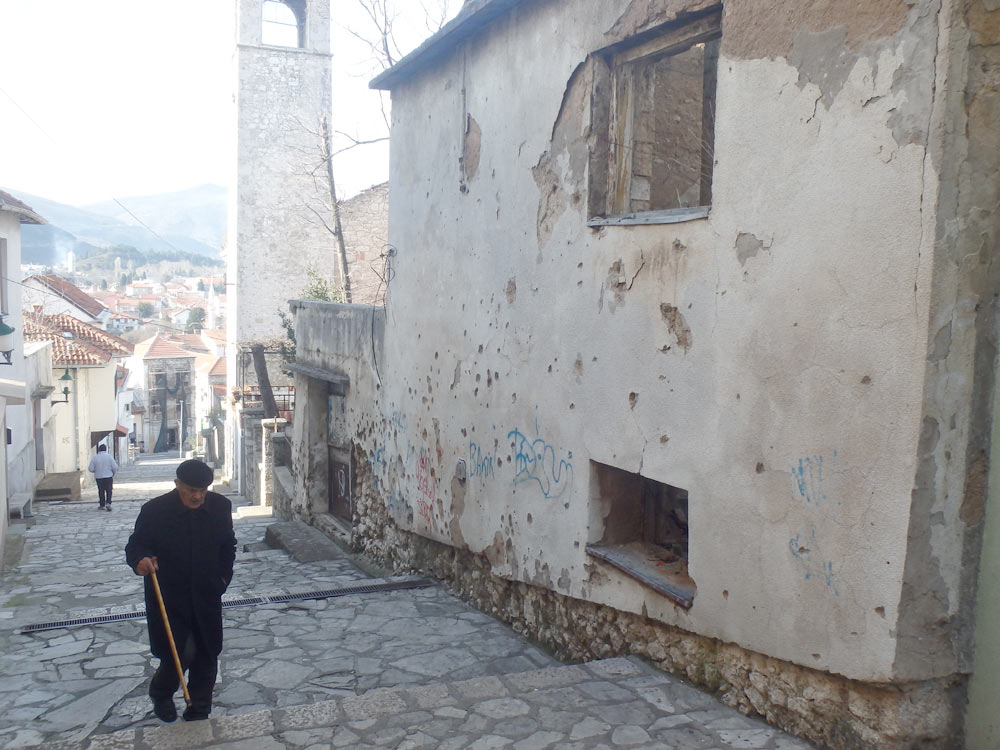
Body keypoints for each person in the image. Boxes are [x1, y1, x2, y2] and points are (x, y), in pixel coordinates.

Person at [125, 459, 236, 722]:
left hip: (206, 593)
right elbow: (136, 545)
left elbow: (227, 546)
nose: (197, 496)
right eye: (191, 490)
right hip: (169, 595)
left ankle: (199, 708)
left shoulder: (221, 507)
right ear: (177, 485)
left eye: (203, 490)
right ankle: (161, 692)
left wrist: (222, 580)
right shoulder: (154, 511)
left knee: (208, 652)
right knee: (180, 652)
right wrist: (140, 559)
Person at [88, 444, 118, 511]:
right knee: (109, 490)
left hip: (99, 477)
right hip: (108, 476)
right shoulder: (109, 457)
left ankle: (102, 505)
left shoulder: (94, 458)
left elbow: (90, 469)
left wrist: (96, 471)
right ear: (106, 449)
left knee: (101, 491)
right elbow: (115, 467)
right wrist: (113, 473)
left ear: (99, 449)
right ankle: (108, 503)